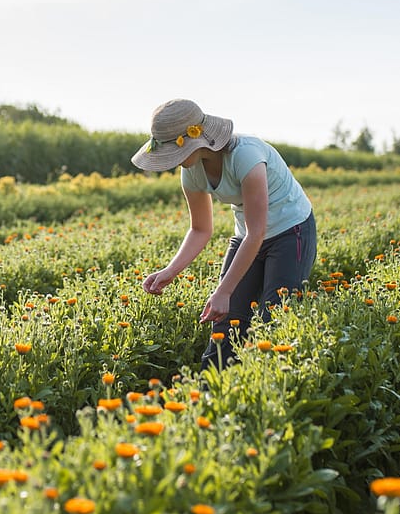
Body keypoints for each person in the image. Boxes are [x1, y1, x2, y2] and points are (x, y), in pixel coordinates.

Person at [131, 99, 317, 371]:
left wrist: (223, 290)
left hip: (291, 231)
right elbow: (200, 229)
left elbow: (258, 232)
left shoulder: (247, 156)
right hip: (248, 235)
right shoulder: (191, 172)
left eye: (175, 152)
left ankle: (266, 386)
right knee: (226, 320)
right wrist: (171, 271)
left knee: (273, 316)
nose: (174, 162)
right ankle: (211, 392)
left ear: (197, 140)